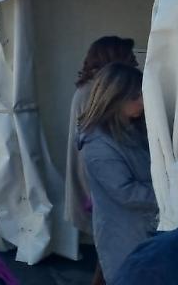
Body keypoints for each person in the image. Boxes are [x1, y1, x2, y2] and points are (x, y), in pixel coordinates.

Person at [114, 88, 178, 284]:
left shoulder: (152, 265)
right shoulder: (102, 142)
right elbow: (122, 189)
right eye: (135, 96)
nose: (141, 101)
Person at [77, 62, 157, 283]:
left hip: (142, 228)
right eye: (135, 97)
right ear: (115, 98)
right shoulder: (98, 143)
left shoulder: (132, 127)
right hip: (124, 234)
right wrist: (167, 194)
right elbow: (126, 193)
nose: (142, 102)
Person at [66, 36, 138, 248]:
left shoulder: (88, 89)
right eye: (130, 57)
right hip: (100, 178)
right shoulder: (97, 92)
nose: (135, 62)